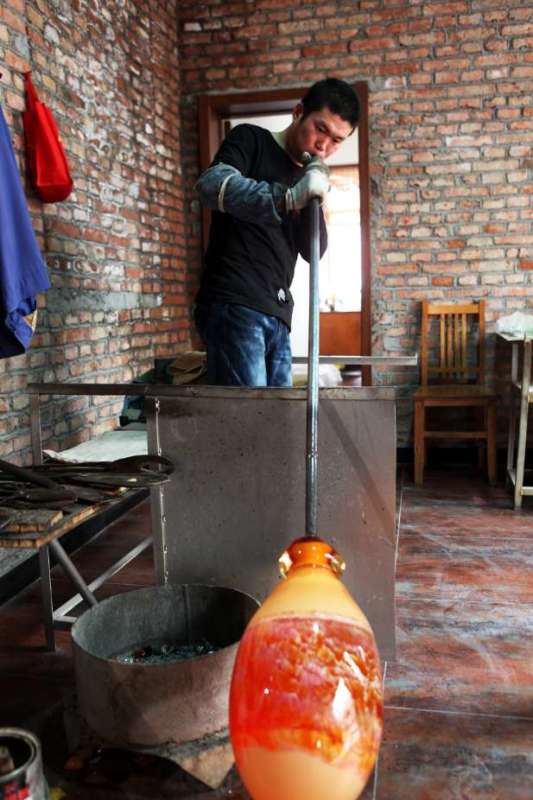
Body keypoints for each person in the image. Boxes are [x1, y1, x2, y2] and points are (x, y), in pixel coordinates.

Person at [194, 77, 360, 387]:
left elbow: (313, 251)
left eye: (337, 140)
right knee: (248, 414)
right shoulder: (251, 139)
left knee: (279, 414)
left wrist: (314, 196)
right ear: (298, 112)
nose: (324, 145)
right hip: (236, 301)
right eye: (320, 129)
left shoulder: (305, 176)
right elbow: (210, 185)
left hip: (279, 312)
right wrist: (287, 198)